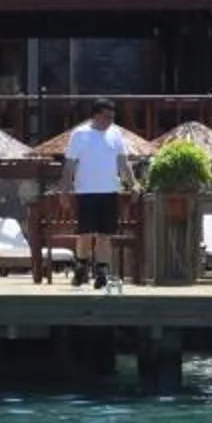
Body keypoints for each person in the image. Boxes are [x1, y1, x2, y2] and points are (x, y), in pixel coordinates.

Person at [66, 100, 134, 288]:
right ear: (95, 115)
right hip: (86, 191)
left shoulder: (116, 134)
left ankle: (102, 271)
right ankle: (81, 264)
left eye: (112, 117)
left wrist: (133, 184)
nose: (109, 121)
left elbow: (123, 162)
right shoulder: (79, 135)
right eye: (106, 117)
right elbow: (69, 165)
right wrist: (65, 189)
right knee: (85, 234)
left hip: (109, 190)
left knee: (105, 234)